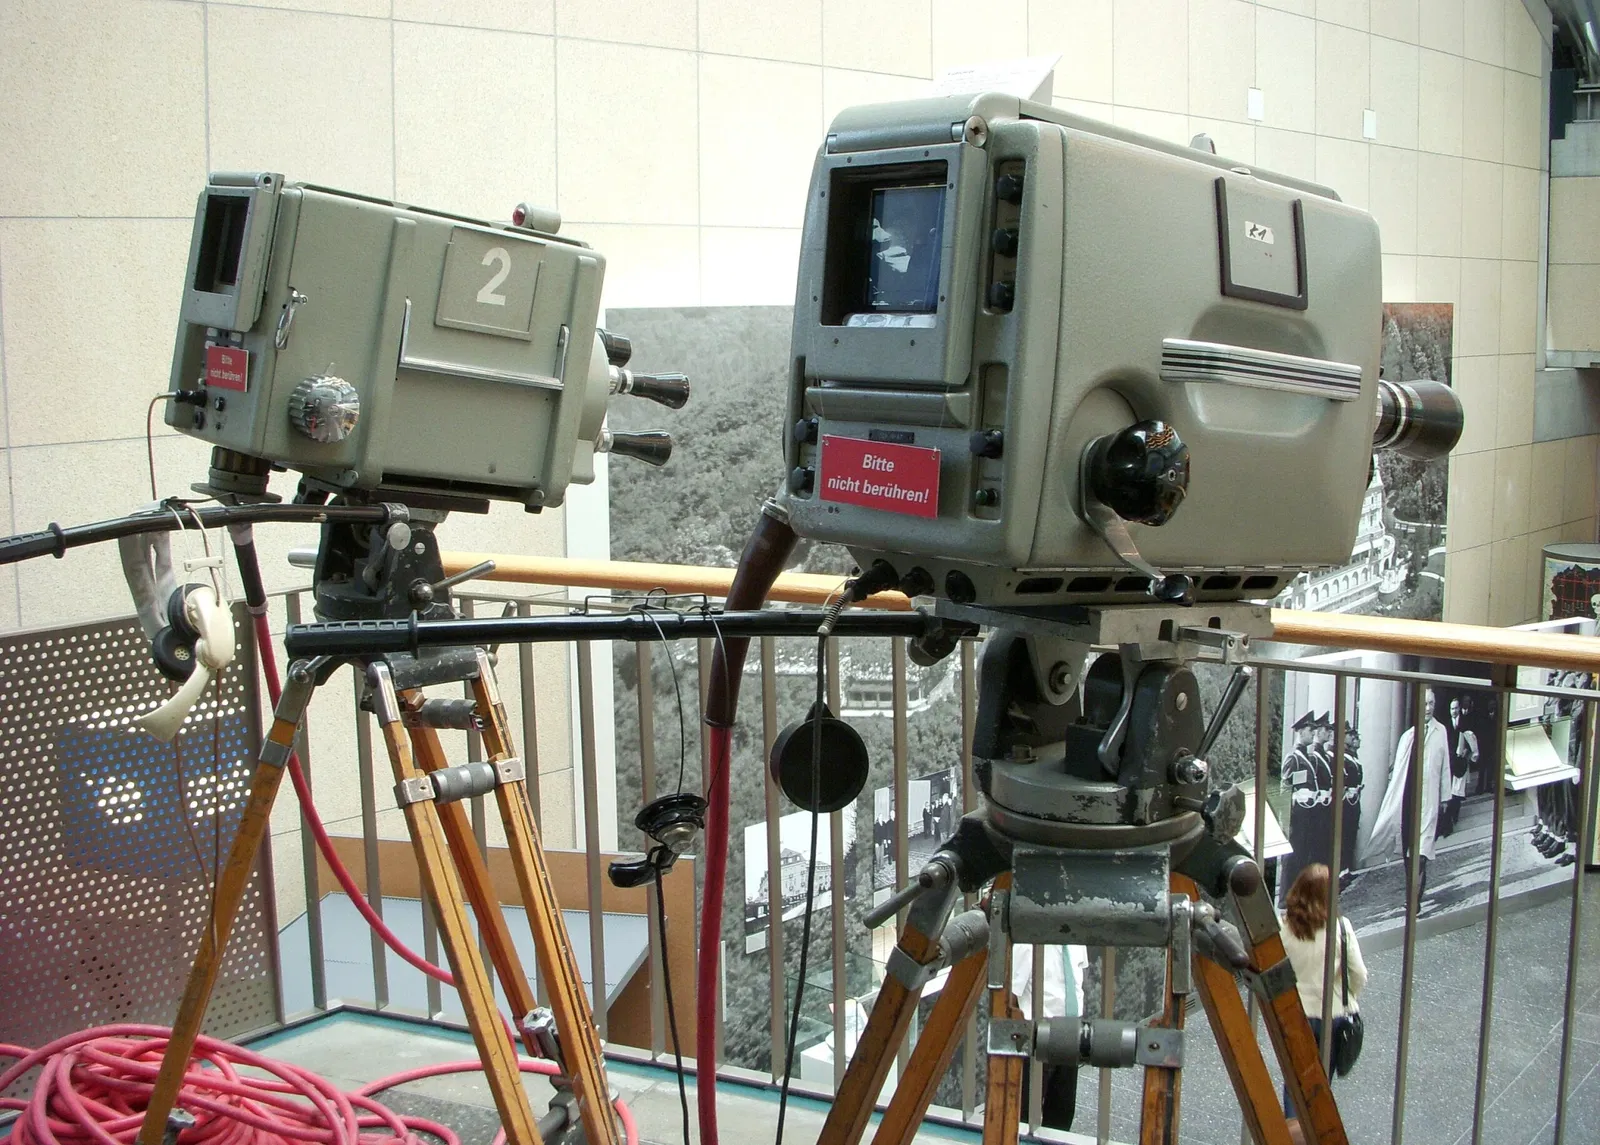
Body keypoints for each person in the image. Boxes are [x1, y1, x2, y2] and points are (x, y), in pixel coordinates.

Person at [1279, 863, 1367, 1126]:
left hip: (1296, 1014)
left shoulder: (1284, 927)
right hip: (1333, 1014)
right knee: (1320, 1082)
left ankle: (1293, 1131)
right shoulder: (1340, 928)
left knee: (1295, 1080)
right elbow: (1358, 973)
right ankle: (1314, 1129)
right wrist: (1347, 995)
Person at [1367, 688, 1450, 899]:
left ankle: (1413, 902)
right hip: (1407, 803)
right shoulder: (1408, 737)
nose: (1428, 708)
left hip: (1429, 801)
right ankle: (1413, 890)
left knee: (1421, 854)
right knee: (1409, 853)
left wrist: (1446, 797)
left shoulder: (1441, 732)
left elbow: (1445, 767)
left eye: (1431, 703)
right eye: (1424, 704)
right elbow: (1398, 774)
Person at [1011, 942, 1089, 1131]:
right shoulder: (1027, 944)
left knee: (1062, 1109)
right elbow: (1011, 995)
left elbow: (1080, 978)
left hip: (1070, 1031)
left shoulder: (1076, 938)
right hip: (1038, 1033)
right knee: (1025, 1111)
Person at [1281, 711, 1333, 897]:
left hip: (1309, 811)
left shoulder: (1307, 757)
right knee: (1294, 854)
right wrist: (1286, 818)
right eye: (1310, 730)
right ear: (1300, 732)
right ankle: (1285, 897)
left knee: (1304, 853)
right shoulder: (1293, 757)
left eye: (1313, 731)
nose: (1313, 734)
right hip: (1298, 812)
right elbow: (1285, 788)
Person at [1439, 696, 1478, 837]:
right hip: (1450, 762)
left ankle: (1454, 816)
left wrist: (1466, 750)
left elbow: (1472, 739)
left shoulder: (1466, 722)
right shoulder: (1446, 725)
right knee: (1449, 792)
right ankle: (1448, 822)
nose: (1454, 711)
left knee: (1458, 792)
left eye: (1456, 708)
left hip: (1461, 762)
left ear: (1459, 709)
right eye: (1452, 708)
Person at [1338, 722, 1363, 890]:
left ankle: (1346, 870)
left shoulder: (1352, 756)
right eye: (1349, 735)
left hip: (1353, 800)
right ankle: (1341, 872)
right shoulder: (1342, 756)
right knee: (1344, 836)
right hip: (1346, 801)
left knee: (1350, 836)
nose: (1353, 738)